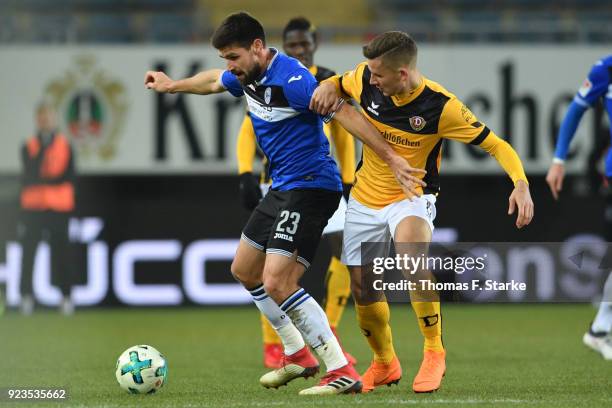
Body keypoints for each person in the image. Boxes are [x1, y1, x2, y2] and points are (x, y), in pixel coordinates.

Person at [145, 13, 425, 395]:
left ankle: (339, 369)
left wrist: (392, 159)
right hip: (282, 187)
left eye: (233, 57)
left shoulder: (292, 80)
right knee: (244, 270)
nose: (228, 66)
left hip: (312, 187)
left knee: (278, 280)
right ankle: (297, 354)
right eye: (225, 58)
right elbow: (212, 80)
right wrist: (171, 85)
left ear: (258, 48)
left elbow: (345, 113)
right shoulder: (247, 75)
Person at [311, 31, 534, 393]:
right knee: (363, 287)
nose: (373, 79)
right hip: (365, 197)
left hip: (412, 195)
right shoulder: (365, 77)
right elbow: (339, 83)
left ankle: (433, 351)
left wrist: (521, 183)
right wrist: (330, 85)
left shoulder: (441, 106)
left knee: (413, 255)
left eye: (380, 75)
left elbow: (496, 144)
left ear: (402, 74)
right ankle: (384, 362)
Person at [236, 16, 356, 369]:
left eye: (304, 44)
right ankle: (276, 344)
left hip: (314, 179)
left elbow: (344, 133)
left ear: (314, 44)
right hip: (277, 181)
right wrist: (244, 172)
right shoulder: (262, 76)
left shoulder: (322, 82)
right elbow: (247, 129)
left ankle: (327, 330)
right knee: (258, 270)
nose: (299, 50)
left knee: (344, 252)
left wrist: (350, 179)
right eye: (293, 46)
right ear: (282, 47)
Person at [546, 55, 612, 360]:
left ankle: (600, 328)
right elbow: (576, 110)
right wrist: (559, 159)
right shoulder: (606, 69)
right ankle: (600, 328)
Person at [19, 102, 77, 315]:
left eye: (48, 117)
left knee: (62, 253)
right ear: (37, 119)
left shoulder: (65, 144)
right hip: (33, 208)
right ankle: (26, 296)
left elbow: (69, 175)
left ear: (54, 119)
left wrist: (47, 179)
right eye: (41, 117)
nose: (45, 121)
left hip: (59, 207)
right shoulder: (29, 145)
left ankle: (66, 296)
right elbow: (31, 174)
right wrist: (44, 150)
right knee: (29, 253)